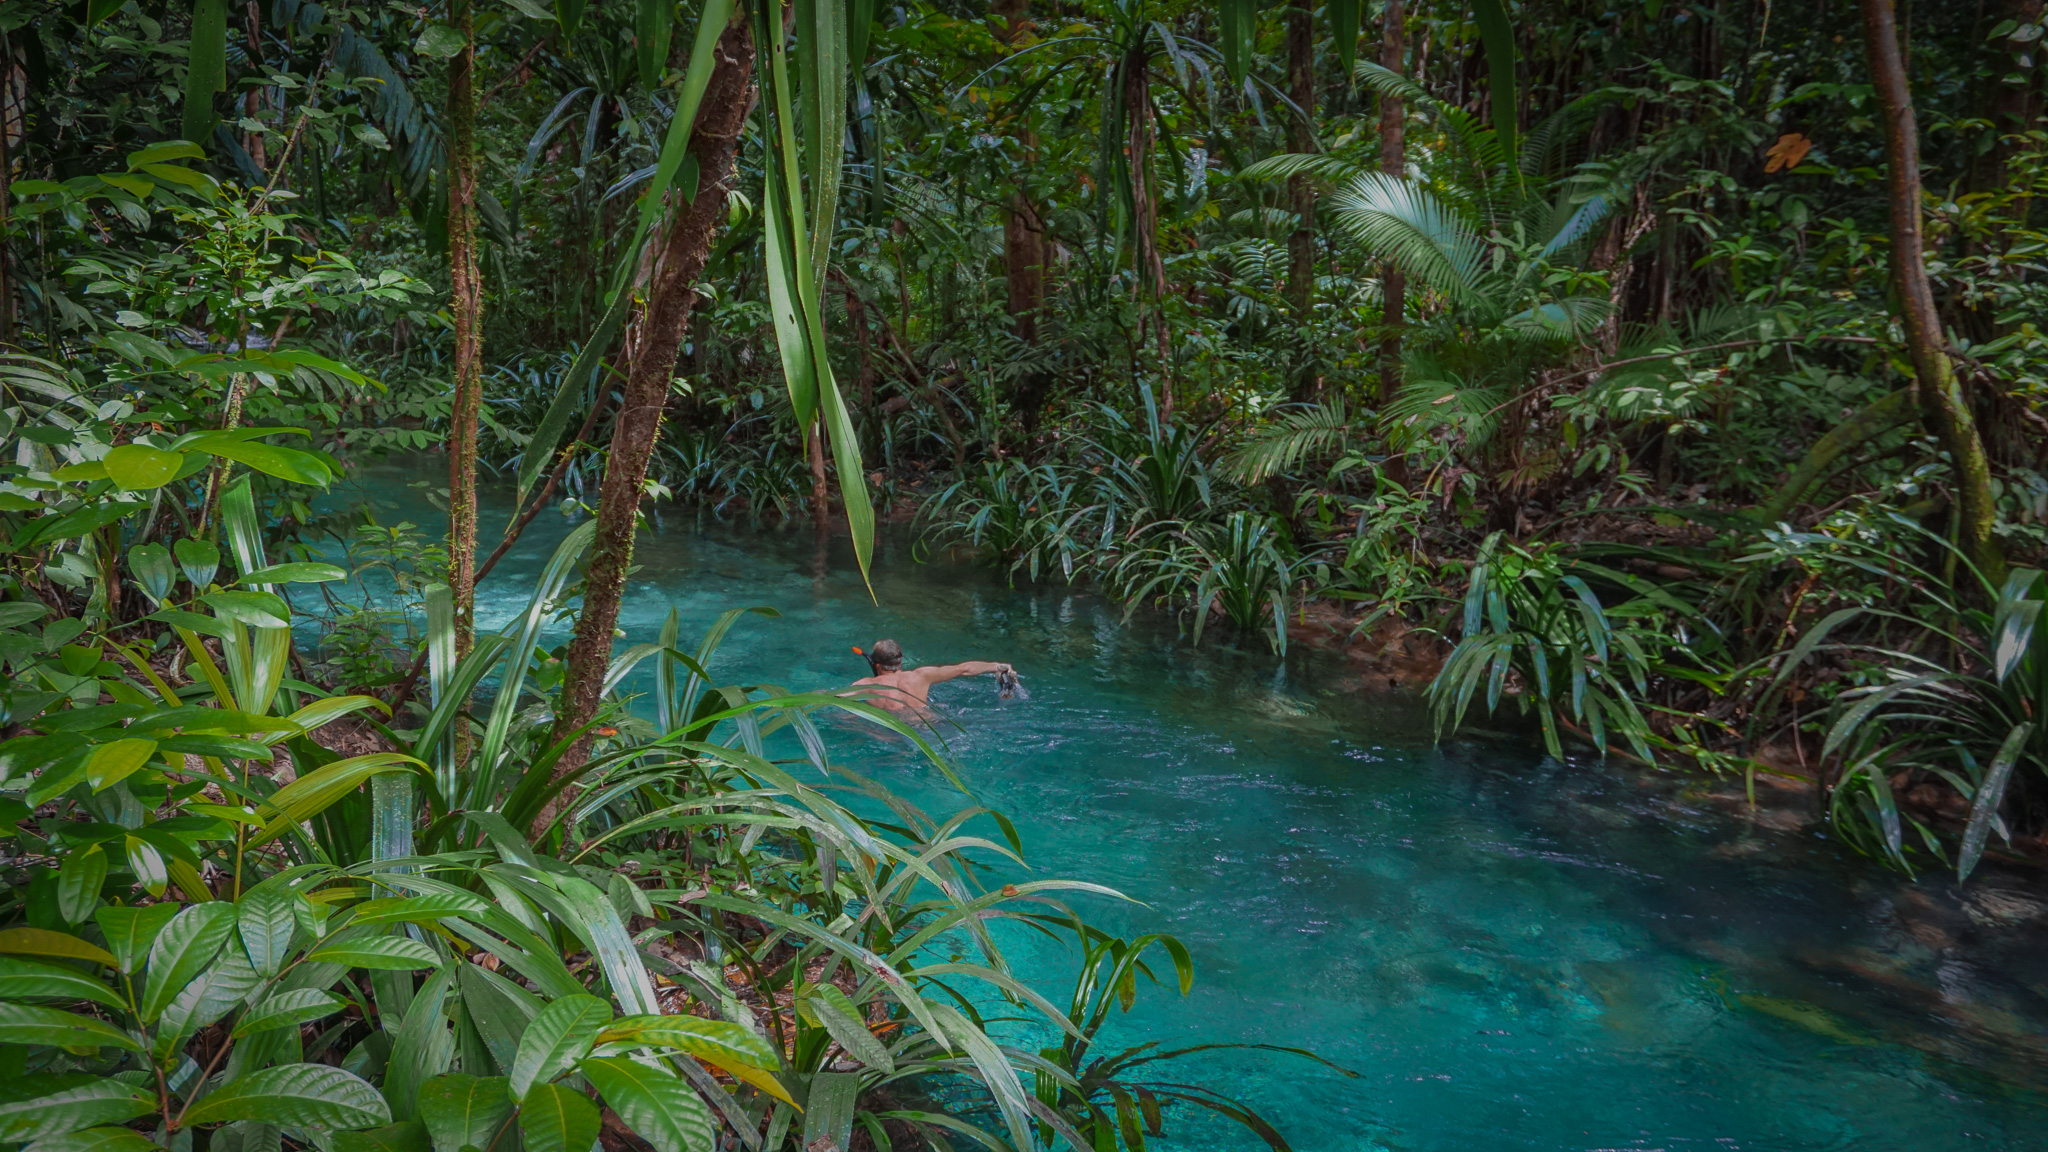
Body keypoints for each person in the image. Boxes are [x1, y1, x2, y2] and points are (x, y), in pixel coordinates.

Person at [851, 638, 1015, 713]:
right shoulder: (921, 675)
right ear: (900, 662)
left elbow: (834, 697)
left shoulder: (865, 685)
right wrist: (996, 666)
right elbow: (964, 669)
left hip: (891, 734)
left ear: (877, 665)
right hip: (928, 725)